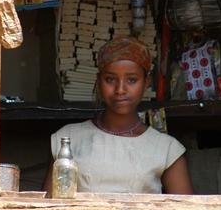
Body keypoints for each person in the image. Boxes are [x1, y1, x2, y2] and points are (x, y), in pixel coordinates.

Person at [43, 36, 193, 194]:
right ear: (99, 81)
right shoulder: (68, 139)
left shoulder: (166, 149)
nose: (120, 89)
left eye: (132, 80)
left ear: (146, 82)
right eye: (110, 79)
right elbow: (48, 209)